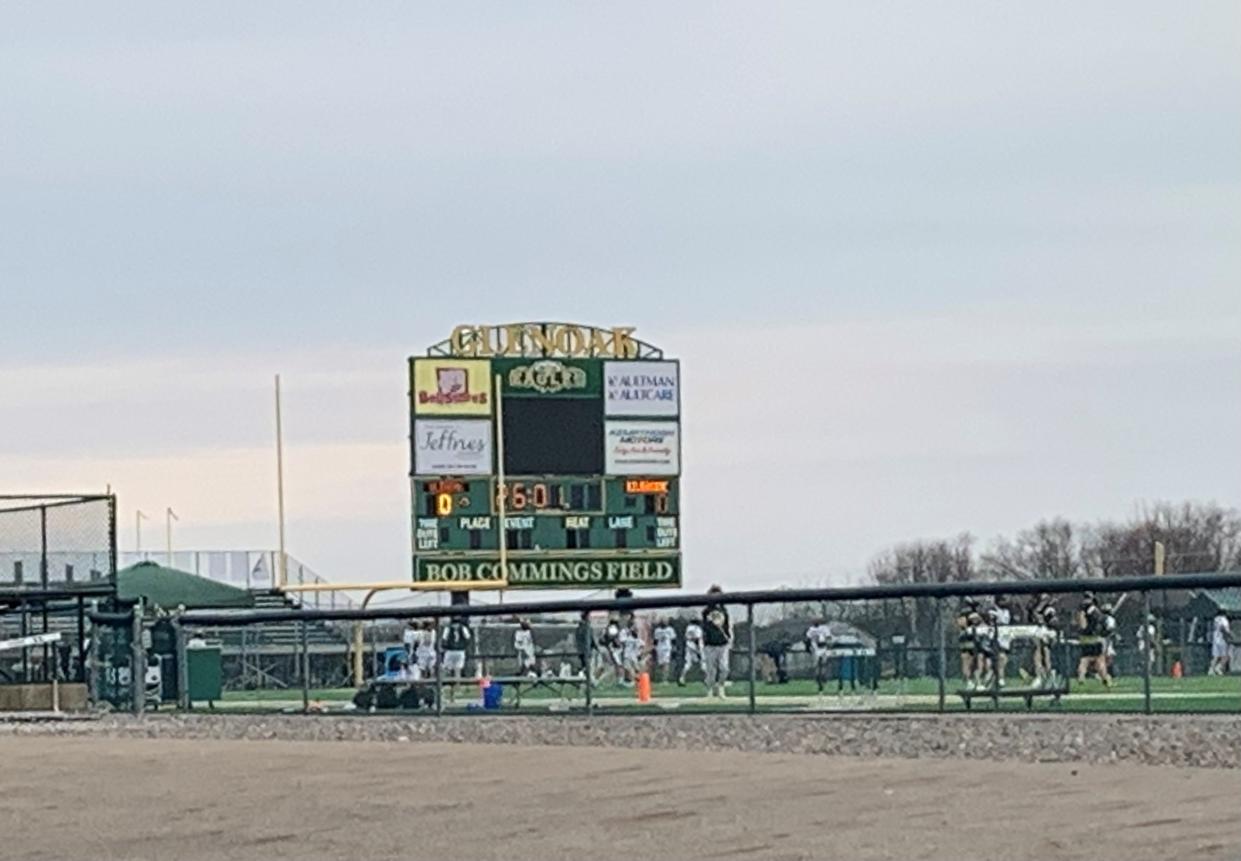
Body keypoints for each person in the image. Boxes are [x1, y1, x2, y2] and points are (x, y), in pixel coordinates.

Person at [700, 585, 732, 698]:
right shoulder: (706, 611)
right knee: (711, 669)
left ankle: (721, 687)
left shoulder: (724, 610)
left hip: (722, 643)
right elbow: (705, 627)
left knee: (724, 668)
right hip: (710, 644)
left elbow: (727, 626)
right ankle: (709, 689)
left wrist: (729, 637)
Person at [1075, 593, 1111, 686]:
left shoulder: (1080, 608)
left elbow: (1081, 624)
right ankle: (1105, 678)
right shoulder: (1093, 609)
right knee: (1099, 659)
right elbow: (1098, 621)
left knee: (1084, 659)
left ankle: (1081, 677)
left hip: (1084, 637)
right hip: (1094, 637)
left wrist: (1083, 630)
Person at [440, 616, 471, 701]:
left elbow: (444, 639)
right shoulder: (463, 627)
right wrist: (464, 646)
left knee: (447, 670)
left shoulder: (448, 628)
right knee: (458, 670)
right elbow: (468, 638)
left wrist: (445, 647)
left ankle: (445, 687)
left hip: (450, 650)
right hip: (460, 651)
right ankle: (457, 687)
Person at [805, 619, 834, 694]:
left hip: (821, 648)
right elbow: (808, 640)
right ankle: (819, 679)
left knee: (821, 664)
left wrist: (807, 648)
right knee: (819, 665)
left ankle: (822, 678)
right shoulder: (813, 629)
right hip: (818, 648)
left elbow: (828, 638)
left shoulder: (821, 628)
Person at [956, 598, 979, 688]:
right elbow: (961, 625)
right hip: (966, 639)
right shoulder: (964, 613)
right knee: (966, 660)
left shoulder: (973, 612)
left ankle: (972, 680)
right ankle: (968, 680)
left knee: (972, 660)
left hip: (972, 639)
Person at [678, 619, 704, 685]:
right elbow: (697, 639)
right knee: (703, 663)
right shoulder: (697, 628)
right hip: (696, 647)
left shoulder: (688, 628)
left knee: (688, 664)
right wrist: (699, 650)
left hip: (688, 646)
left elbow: (685, 638)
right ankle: (709, 679)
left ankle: (681, 678)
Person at [1209, 610, 1233, 676]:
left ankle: (1211, 669)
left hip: (1215, 639)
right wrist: (1230, 636)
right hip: (1222, 640)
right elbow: (1225, 629)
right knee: (1226, 656)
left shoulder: (1215, 619)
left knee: (1216, 656)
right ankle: (1218, 668)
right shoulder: (1224, 620)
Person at [652, 618, 677, 683]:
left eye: (665, 621)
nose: (664, 623)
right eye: (663, 621)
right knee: (661, 664)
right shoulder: (657, 630)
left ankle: (665, 679)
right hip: (659, 648)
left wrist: (674, 647)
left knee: (666, 663)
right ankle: (662, 676)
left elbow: (673, 639)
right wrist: (654, 647)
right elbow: (655, 640)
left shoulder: (670, 629)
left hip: (667, 648)